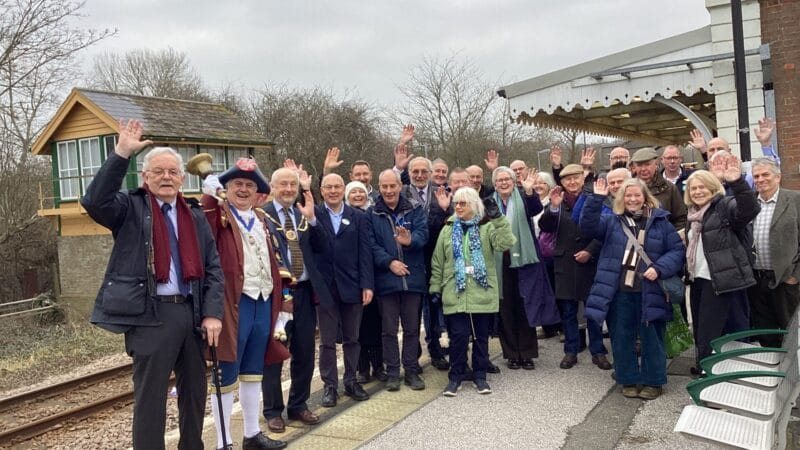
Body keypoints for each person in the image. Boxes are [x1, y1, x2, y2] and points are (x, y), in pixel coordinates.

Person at [81, 120, 224, 450]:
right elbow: (94, 202)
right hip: (150, 315)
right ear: (145, 177)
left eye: (173, 172)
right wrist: (121, 154)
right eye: (158, 171)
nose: (166, 177)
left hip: (191, 314)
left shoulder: (195, 214)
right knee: (151, 400)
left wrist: (213, 313)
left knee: (194, 395)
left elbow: (213, 269)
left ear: (181, 178)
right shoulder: (130, 208)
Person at [202, 159, 290, 450]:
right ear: (225, 189)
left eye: (249, 186)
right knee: (225, 374)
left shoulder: (262, 219)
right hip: (233, 304)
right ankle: (223, 442)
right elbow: (206, 223)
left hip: (263, 302)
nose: (243, 190)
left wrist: (282, 307)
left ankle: (251, 434)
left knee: (254, 370)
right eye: (236, 184)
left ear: (258, 193)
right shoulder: (219, 215)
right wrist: (209, 196)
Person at [581, 177, 685, 399]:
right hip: (619, 292)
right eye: (628, 196)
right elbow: (588, 226)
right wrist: (596, 199)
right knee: (621, 337)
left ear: (645, 197)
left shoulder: (661, 222)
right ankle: (627, 378)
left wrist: (659, 268)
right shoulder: (611, 221)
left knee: (652, 338)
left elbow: (677, 252)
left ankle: (653, 381)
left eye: (637, 195)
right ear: (621, 198)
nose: (633, 199)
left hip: (650, 290)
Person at [430, 187, 515, 396]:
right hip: (455, 290)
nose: (458, 207)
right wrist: (435, 287)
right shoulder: (447, 229)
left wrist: (498, 219)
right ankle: (455, 376)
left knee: (480, 337)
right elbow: (438, 261)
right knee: (458, 336)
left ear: (474, 205)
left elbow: (506, 242)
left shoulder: (486, 227)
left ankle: (480, 376)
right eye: (456, 203)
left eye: (463, 203)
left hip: (481, 291)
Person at [261, 167, 328, 433]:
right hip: (278, 295)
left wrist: (312, 220)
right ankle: (273, 411)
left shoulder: (303, 213)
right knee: (275, 354)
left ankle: (298, 405)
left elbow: (323, 247)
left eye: (292, 185)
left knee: (304, 352)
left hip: (304, 290)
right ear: (272, 186)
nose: (289, 189)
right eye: (283, 185)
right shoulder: (261, 215)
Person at [684, 161, 760, 373]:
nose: (698, 191)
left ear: (713, 188)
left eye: (702, 187)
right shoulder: (694, 215)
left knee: (720, 331)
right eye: (693, 188)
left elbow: (749, 209)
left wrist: (737, 183)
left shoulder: (724, 206)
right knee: (702, 330)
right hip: (699, 280)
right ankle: (706, 368)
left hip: (724, 282)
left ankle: (721, 373)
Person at [539, 163, 611, 371]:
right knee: (568, 311)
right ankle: (571, 350)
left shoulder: (595, 198)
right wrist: (553, 208)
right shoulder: (556, 201)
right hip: (565, 263)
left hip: (590, 261)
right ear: (561, 182)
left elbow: (605, 229)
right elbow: (545, 227)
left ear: (583, 178)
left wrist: (590, 250)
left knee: (593, 310)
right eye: (567, 179)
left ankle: (598, 351)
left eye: (575, 178)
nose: (572, 182)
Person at [313, 173, 375, 407]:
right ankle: (330, 385)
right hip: (325, 287)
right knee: (327, 341)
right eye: (328, 187)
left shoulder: (357, 216)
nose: (333, 191)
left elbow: (365, 253)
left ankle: (351, 380)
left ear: (343, 189)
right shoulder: (315, 214)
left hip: (352, 285)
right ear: (321, 190)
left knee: (352, 338)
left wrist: (367, 284)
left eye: (337, 186)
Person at [493, 166, 560, 370]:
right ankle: (512, 353)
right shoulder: (489, 202)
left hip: (525, 259)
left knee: (525, 305)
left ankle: (528, 353)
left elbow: (536, 210)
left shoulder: (523, 197)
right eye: (500, 180)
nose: (504, 183)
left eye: (508, 179)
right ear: (495, 184)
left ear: (514, 181)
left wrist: (530, 191)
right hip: (499, 261)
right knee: (506, 308)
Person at [368, 169, 429, 391]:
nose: (388, 191)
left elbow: (424, 235)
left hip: (413, 279)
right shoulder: (372, 213)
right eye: (384, 187)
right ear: (379, 187)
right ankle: (393, 372)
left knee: (412, 328)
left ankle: (411, 370)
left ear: (399, 186)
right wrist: (389, 263)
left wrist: (410, 240)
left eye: (392, 186)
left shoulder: (414, 209)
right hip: (386, 280)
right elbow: (371, 244)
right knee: (389, 330)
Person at [748, 158, 800, 347]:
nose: (760, 179)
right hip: (757, 280)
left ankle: (794, 374)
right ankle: (772, 370)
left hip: (786, 280)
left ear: (778, 177)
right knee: (765, 331)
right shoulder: (750, 204)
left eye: (765, 175)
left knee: (792, 331)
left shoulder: (795, 200)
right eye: (756, 176)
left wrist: (795, 275)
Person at [629, 147, 687, 231]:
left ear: (656, 164)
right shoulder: (627, 188)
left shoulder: (669, 188)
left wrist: (670, 236)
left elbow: (681, 218)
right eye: (639, 165)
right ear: (634, 167)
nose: (643, 169)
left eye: (647, 164)